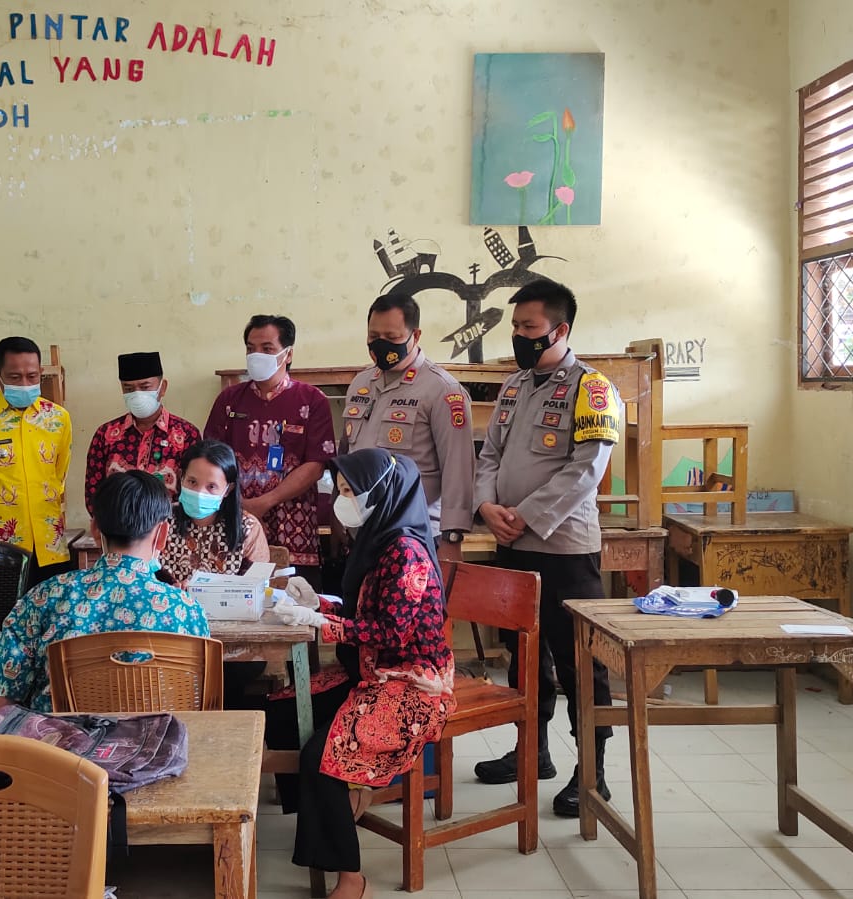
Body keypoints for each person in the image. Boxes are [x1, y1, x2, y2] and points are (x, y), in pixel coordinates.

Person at [270, 450, 454, 899]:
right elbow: (363, 610)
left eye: (351, 491)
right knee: (280, 713)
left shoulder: (406, 553)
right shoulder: (377, 540)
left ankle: (350, 877)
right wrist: (318, 603)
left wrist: (322, 624)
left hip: (411, 684)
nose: (343, 500)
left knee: (320, 756)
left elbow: (390, 632)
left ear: (383, 493)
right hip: (370, 673)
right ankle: (324, 822)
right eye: (342, 490)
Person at [470, 277, 622, 818]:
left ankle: (592, 772)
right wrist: (486, 507)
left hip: (564, 550)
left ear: (559, 329)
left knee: (580, 661)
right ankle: (530, 751)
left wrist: (525, 516)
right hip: (512, 544)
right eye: (515, 326)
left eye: (528, 326)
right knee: (523, 656)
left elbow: (586, 470)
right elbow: (489, 455)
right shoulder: (513, 387)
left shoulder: (592, 388)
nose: (519, 335)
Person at [0, 471, 210, 712]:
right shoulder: (186, 611)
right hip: (156, 737)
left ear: (95, 529)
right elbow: (197, 705)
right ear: (162, 535)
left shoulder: (42, 598)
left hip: (60, 737)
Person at [340, 290, 475, 563]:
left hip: (415, 536)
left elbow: (458, 469)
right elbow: (347, 457)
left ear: (416, 335)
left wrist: (452, 538)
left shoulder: (442, 390)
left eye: (391, 338)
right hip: (363, 532)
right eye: (374, 336)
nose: (381, 344)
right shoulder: (360, 383)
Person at [204, 314, 336, 587]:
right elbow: (210, 458)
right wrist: (239, 505)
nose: (257, 355)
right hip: (236, 518)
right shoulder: (229, 400)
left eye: (267, 348)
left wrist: (265, 502)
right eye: (250, 348)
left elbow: (316, 464)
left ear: (288, 354)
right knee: (234, 595)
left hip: (292, 525)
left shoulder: (312, 400)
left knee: (293, 599)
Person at [0, 335, 73, 578]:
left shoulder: (58, 418)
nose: (25, 384)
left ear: (41, 373)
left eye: (32, 376)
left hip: (48, 542)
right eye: (15, 377)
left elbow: (59, 473)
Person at [83, 351, 201, 511]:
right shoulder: (105, 434)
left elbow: (194, 490)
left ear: (162, 388)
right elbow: (93, 492)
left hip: (169, 524)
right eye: (128, 388)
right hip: (117, 525)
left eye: (145, 387)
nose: (137, 394)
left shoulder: (187, 435)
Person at [160, 439, 270, 589]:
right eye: (192, 482)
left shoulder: (248, 529)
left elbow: (256, 589)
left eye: (211, 486)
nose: (199, 493)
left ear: (228, 489)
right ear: (181, 477)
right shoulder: (161, 519)